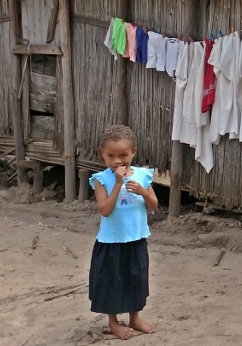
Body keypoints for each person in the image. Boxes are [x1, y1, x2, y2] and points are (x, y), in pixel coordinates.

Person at [89, 125, 159, 339]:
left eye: (123, 155)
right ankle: (113, 322)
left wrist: (143, 192)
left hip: (136, 239)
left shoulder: (142, 175)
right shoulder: (101, 180)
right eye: (111, 156)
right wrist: (118, 184)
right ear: (103, 154)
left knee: (135, 279)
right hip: (111, 241)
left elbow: (154, 205)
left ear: (133, 153)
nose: (117, 161)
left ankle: (134, 317)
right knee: (112, 282)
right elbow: (105, 210)